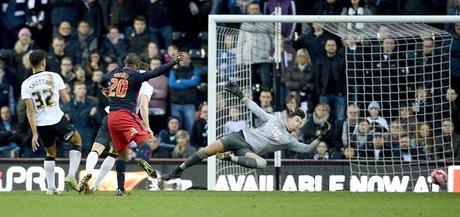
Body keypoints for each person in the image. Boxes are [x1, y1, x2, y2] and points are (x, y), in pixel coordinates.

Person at [161, 81, 321, 181]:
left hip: (248, 150)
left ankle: (229, 158)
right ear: (290, 118)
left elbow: (307, 149)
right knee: (206, 151)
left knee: (262, 163)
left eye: (301, 122)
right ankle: (177, 171)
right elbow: (256, 109)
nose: (298, 124)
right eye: (297, 120)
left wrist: (321, 138)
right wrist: (240, 95)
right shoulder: (274, 119)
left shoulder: (289, 140)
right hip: (239, 137)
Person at [77, 52, 184, 196]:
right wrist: (173, 62)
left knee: (119, 153)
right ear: (138, 66)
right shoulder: (139, 78)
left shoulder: (115, 72)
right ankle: (145, 161)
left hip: (110, 117)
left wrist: (106, 89)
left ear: (125, 63)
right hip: (126, 116)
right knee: (145, 143)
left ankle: (118, 188)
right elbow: (155, 74)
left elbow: (102, 79)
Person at [78, 68, 156, 196]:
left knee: (96, 149)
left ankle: (88, 172)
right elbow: (143, 106)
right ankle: (98, 185)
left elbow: (107, 90)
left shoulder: (120, 79)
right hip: (126, 120)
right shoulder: (146, 86)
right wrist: (146, 125)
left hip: (110, 116)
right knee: (117, 154)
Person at [20, 50, 83, 195]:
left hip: (41, 125)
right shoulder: (54, 76)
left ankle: (51, 188)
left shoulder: (26, 84)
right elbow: (66, 99)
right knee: (77, 141)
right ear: (43, 62)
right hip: (57, 119)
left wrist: (34, 133)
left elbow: (30, 111)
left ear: (30, 64)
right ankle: (71, 176)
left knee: (50, 153)